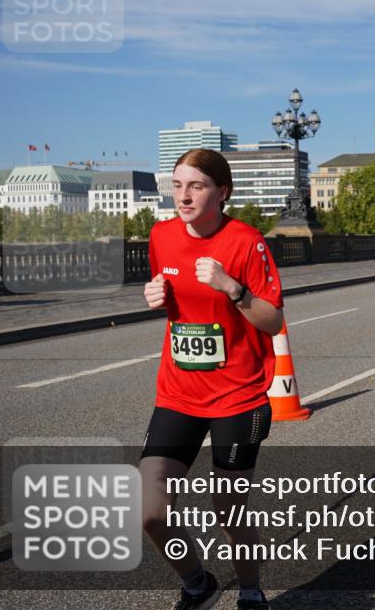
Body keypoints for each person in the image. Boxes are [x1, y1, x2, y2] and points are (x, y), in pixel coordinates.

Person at [141, 148, 284, 610]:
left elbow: (272, 320)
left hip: (239, 397)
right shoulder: (160, 236)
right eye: (178, 184)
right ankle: (198, 582)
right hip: (179, 393)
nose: (183, 195)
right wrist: (155, 295)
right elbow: (176, 303)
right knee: (150, 511)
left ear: (221, 193)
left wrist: (232, 287)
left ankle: (249, 589)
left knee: (228, 508)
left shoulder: (246, 241)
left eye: (195, 186)